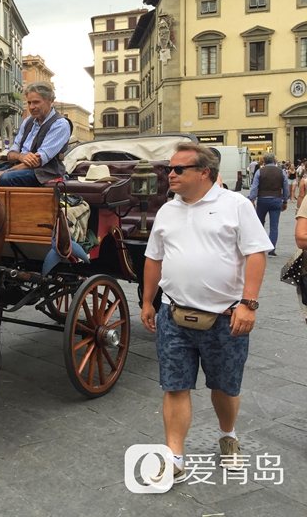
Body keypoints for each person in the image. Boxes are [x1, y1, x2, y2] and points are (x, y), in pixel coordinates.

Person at [141, 142, 271, 485]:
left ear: (204, 173)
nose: (170, 174)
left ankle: (227, 435)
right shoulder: (168, 209)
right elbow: (154, 257)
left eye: (179, 169)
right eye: (170, 168)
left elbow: (256, 254)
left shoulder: (237, 206)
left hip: (226, 317)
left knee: (225, 387)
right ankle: (174, 456)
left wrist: (249, 303)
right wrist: (147, 302)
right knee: (174, 386)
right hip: (173, 313)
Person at [0, 81, 71, 187]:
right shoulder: (27, 122)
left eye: (36, 102)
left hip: (45, 172)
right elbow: (11, 155)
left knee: (5, 178)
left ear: (50, 100)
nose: (31, 107)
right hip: (19, 167)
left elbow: (37, 162)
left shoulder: (60, 124)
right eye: (29, 103)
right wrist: (21, 156)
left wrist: (5, 171)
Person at [248, 152, 288, 256]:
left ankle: (259, 246)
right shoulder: (281, 172)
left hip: (263, 199)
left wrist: (252, 199)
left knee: (259, 223)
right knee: (274, 225)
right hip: (276, 199)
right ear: (275, 161)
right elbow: (286, 187)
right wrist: (285, 200)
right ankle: (272, 248)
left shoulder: (259, 172)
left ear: (263, 161)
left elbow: (254, 187)